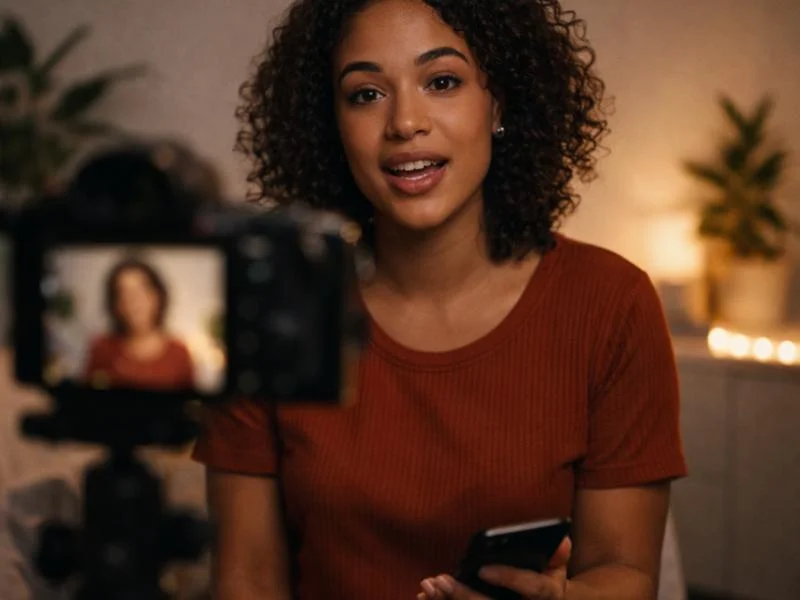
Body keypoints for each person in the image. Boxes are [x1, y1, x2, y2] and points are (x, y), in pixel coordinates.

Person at [192, 1, 687, 599]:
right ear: (331, 123)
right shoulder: (269, 308)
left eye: (442, 82)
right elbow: (246, 579)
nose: (405, 122)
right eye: (366, 94)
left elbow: (627, 573)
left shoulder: (611, 304)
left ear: (498, 102)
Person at [83, 257, 195, 391]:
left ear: (158, 297)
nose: (133, 301)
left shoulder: (179, 353)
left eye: (142, 290)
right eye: (123, 293)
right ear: (115, 305)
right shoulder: (101, 348)